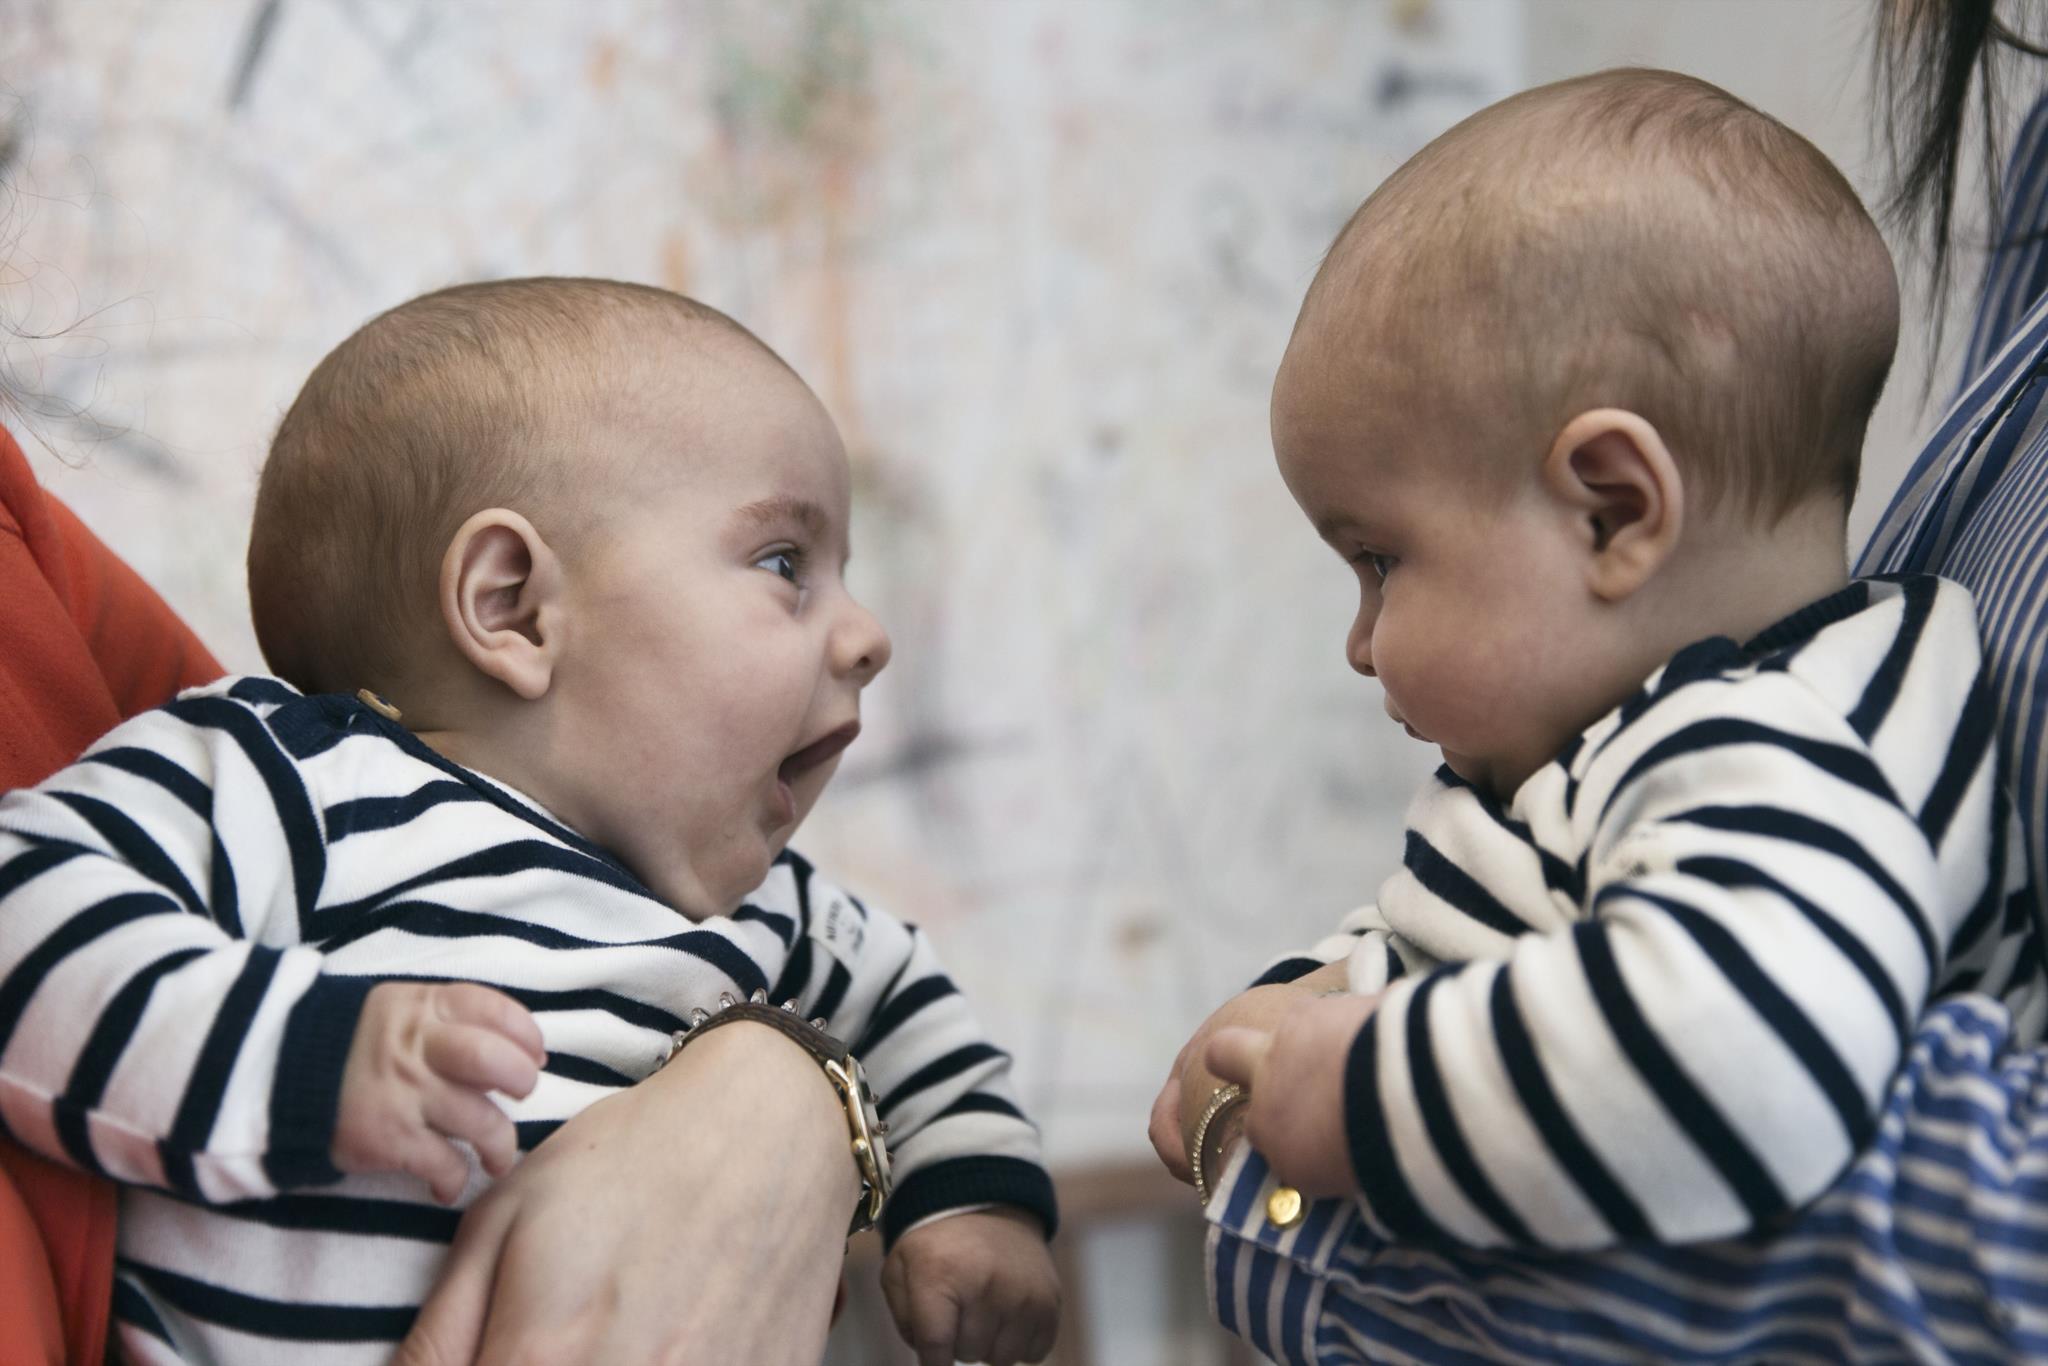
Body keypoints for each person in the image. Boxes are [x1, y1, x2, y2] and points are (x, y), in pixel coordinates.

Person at [1161, 10, 2048, 1365]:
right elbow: (1485, 928)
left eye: (1379, 560)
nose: (1361, 641)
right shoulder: (1643, 741)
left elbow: (1741, 1060)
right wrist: (1304, 990)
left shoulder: (1775, 743)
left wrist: (1349, 1090)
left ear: (1612, 511)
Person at [0, 277, 1060, 1366]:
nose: (867, 636)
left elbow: (912, 1010)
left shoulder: (769, 905)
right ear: (512, 605)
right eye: (784, 563)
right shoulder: (302, 786)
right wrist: (312, 1053)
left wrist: (971, 1206)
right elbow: (25, 908)